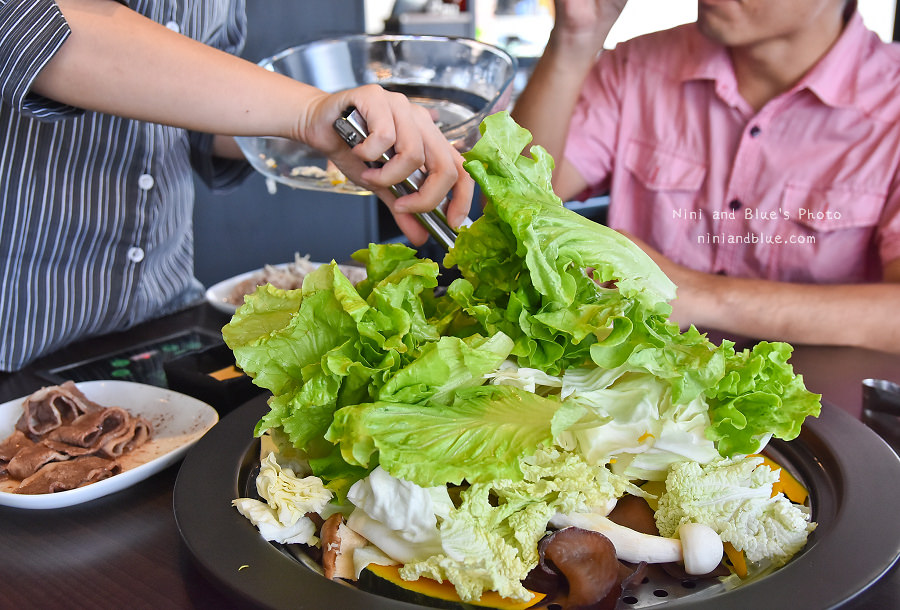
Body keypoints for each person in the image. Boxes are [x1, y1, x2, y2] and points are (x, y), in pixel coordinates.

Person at [0, 0, 474, 371]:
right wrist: (310, 111)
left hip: (166, 315)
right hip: (21, 331)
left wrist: (338, 138)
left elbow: (201, 113)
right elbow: (34, 28)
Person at [511, 0, 900, 353]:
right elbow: (522, 196)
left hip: (822, 416)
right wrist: (573, 41)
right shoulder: (638, 65)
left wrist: (699, 295)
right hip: (637, 395)